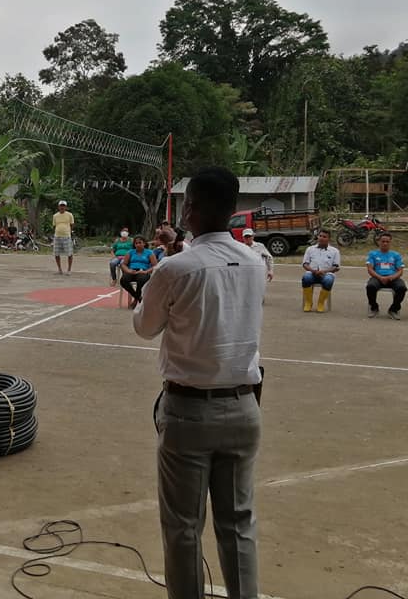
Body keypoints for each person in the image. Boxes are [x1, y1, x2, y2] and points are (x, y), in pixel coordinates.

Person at [133, 167, 264, 599]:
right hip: (244, 407)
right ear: (232, 209)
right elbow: (214, 266)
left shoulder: (175, 269)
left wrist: (164, 271)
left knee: (183, 528)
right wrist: (179, 250)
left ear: (189, 209)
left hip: (188, 412)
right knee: (238, 523)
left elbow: (145, 327)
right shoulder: (254, 262)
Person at [365, 233, 406, 319]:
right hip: (377, 277)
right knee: (370, 286)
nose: (385, 243)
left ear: (390, 243)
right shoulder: (372, 254)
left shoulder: (396, 255)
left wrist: (391, 277)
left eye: (387, 242)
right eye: (383, 241)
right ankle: (374, 307)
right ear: (379, 242)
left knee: (402, 288)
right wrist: (380, 277)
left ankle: (393, 309)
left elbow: (400, 271)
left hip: (392, 278)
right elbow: (370, 269)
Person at [301, 229, 340, 312]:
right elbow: (305, 264)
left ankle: (321, 303)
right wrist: (313, 271)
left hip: (327, 274)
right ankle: (308, 302)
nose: (321, 238)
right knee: (306, 278)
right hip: (312, 272)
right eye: (320, 236)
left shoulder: (335, 251)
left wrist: (324, 271)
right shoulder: (310, 249)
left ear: (329, 239)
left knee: (328, 280)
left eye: (324, 237)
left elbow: (336, 267)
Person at [119, 235, 157, 308]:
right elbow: (123, 264)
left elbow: (155, 265)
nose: (138, 245)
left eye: (140, 243)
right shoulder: (131, 252)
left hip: (143, 271)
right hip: (132, 271)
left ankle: (135, 300)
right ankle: (138, 297)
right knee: (123, 280)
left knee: (141, 279)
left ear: (144, 243)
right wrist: (129, 271)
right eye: (136, 243)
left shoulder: (149, 252)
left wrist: (146, 271)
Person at [52, 200, 75, 275]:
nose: (62, 207)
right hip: (57, 236)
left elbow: (72, 224)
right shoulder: (55, 216)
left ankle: (69, 270)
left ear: (66, 207)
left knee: (69, 253)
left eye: (63, 206)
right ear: (58, 207)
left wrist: (69, 231)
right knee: (56, 253)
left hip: (66, 236)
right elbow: (54, 226)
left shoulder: (69, 215)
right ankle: (59, 269)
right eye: (61, 206)